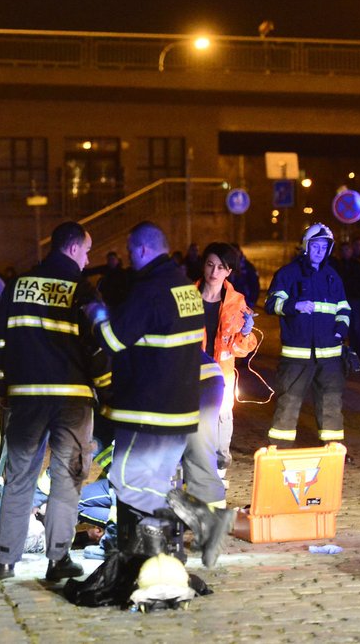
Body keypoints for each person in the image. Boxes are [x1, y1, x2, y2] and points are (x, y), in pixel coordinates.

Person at [84, 222, 234, 569]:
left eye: (129, 250)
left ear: (140, 249)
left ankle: (202, 521)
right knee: (156, 480)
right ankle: (179, 535)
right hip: (182, 404)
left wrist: (96, 315)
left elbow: (114, 341)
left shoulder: (149, 291)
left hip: (153, 407)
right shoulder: (184, 287)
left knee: (125, 479)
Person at [0, 222, 110, 582]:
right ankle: (58, 560)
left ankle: (5, 560)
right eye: (87, 251)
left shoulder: (17, 285)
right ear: (72, 249)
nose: (88, 259)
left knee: (19, 477)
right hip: (71, 401)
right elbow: (98, 344)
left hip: (26, 399)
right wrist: (106, 391)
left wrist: (5, 388)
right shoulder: (81, 290)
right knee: (67, 478)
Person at [264, 223, 350, 447]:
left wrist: (340, 333)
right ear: (306, 246)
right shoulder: (288, 274)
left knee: (331, 402)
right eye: (316, 246)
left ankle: (334, 449)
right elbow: (271, 304)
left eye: (324, 247)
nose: (320, 251)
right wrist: (295, 305)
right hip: (297, 355)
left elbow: (344, 309)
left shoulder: (333, 277)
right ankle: (280, 449)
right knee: (288, 402)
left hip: (329, 354)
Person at [195, 242, 258, 488]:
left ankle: (218, 478)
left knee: (221, 429)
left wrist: (245, 333)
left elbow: (242, 348)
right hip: (191, 375)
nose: (214, 271)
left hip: (221, 377)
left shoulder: (236, 303)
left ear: (229, 271)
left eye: (221, 267)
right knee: (191, 430)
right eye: (210, 264)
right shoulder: (186, 297)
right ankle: (193, 479)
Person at [334, 241, 360, 363]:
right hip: (343, 300)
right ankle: (349, 354)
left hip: (355, 299)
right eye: (343, 250)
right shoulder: (339, 265)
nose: (345, 253)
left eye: (347, 250)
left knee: (357, 327)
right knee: (346, 328)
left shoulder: (357, 265)